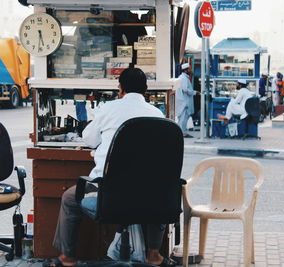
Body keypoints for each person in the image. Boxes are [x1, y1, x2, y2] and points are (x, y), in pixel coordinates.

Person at [45, 68, 175, 267]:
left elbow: (89, 139)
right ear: (145, 91)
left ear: (120, 89)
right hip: (149, 200)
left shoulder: (108, 109)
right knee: (159, 192)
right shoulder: (158, 114)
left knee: (70, 198)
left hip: (109, 199)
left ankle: (67, 258)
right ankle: (154, 255)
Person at [175, 62, 198, 138]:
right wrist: (195, 92)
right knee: (183, 118)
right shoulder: (183, 78)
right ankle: (182, 133)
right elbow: (185, 89)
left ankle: (183, 132)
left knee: (184, 117)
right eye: (189, 69)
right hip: (184, 101)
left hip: (184, 101)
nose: (191, 70)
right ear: (186, 70)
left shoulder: (183, 77)